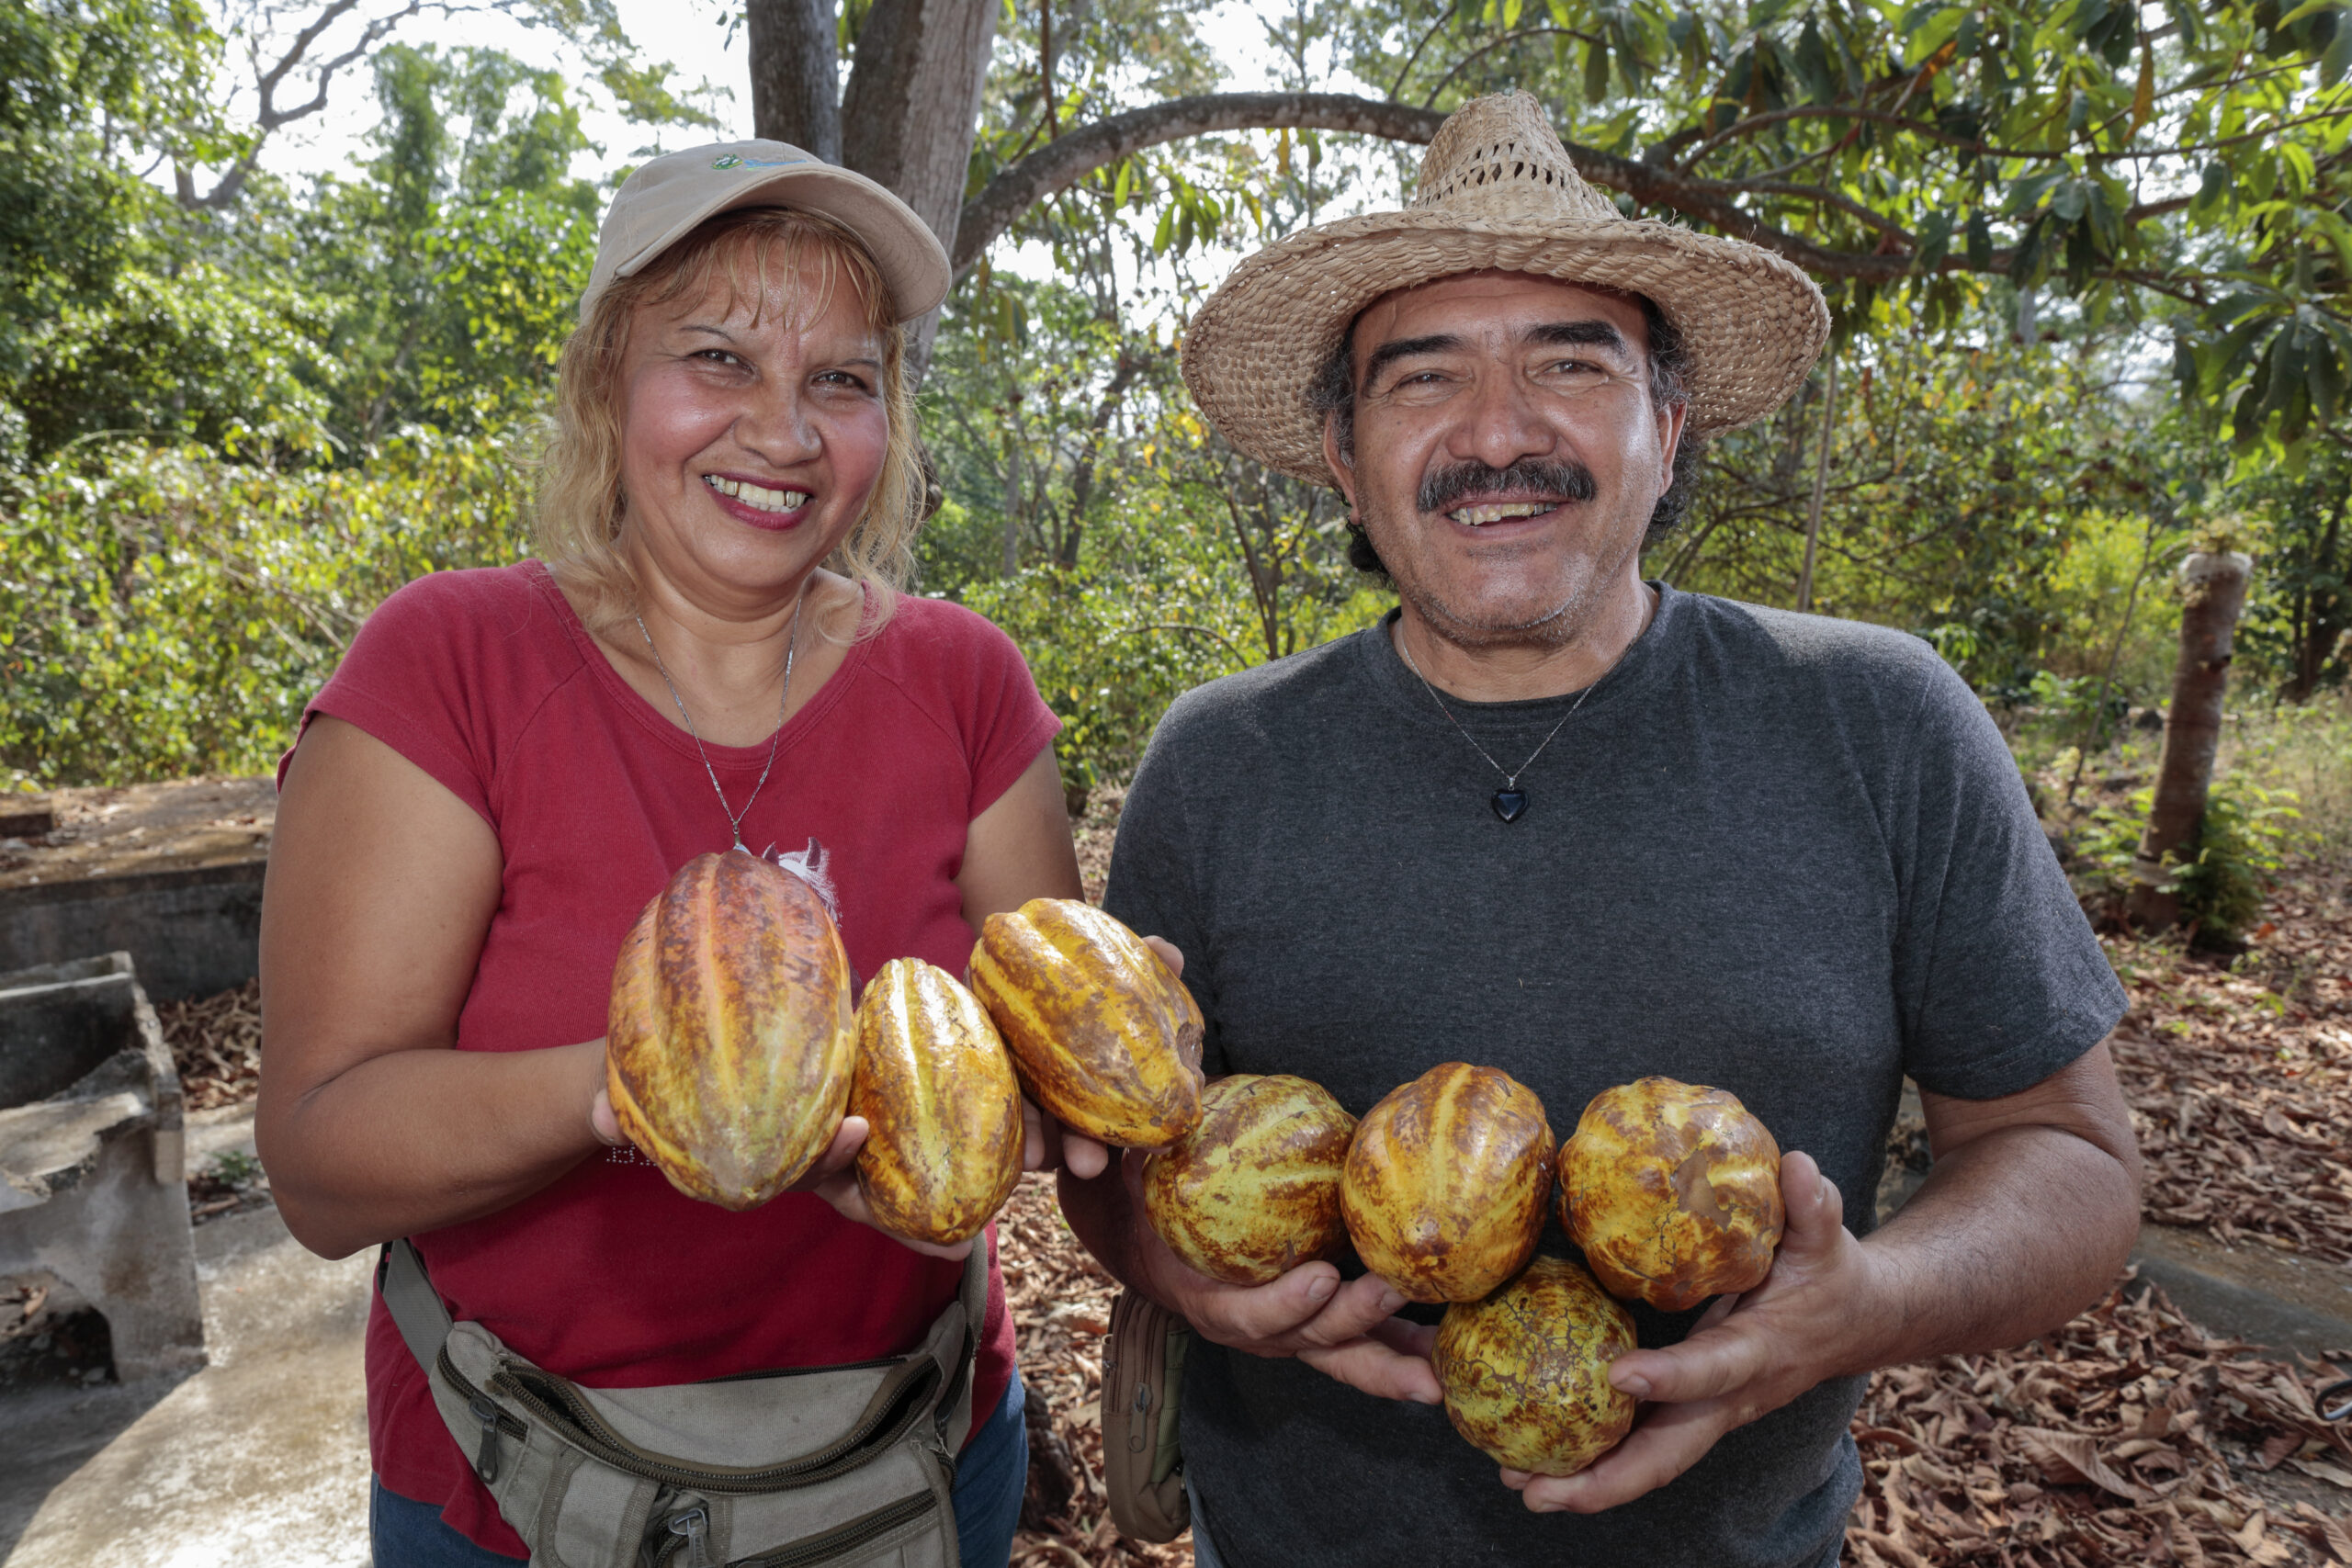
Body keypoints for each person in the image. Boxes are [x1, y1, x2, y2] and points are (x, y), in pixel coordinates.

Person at [1058, 92, 2142, 1568]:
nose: (1499, 433)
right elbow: (1122, 1172)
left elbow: (2069, 1158)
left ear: (1670, 423)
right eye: (1421, 379)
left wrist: (1866, 1303)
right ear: (1340, 454)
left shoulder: (1876, 724)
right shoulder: (1220, 760)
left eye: (1572, 363)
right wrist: (1181, 1280)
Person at [257, 141, 1083, 1567]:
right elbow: (322, 1169)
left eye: (842, 379)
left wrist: (1080, 1079)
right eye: (719, 359)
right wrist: (636, 1089)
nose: (785, 430)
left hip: (919, 1458)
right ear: (605, 385)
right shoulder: (453, 664)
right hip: (521, 1488)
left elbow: (1028, 1071)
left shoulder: (964, 682)